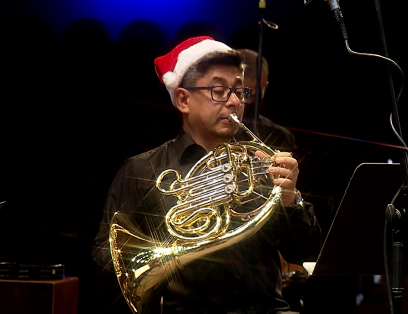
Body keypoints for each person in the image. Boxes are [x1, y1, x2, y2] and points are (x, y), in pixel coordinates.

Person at [92, 35, 322, 314]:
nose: (234, 101)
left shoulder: (260, 165)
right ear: (183, 100)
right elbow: (107, 259)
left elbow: (308, 254)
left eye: (240, 91)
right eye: (219, 91)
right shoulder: (142, 170)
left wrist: (290, 198)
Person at [235, 48, 296, 152]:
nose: (245, 103)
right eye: (239, 93)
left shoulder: (280, 137)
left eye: (253, 96)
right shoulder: (211, 130)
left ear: (265, 87)